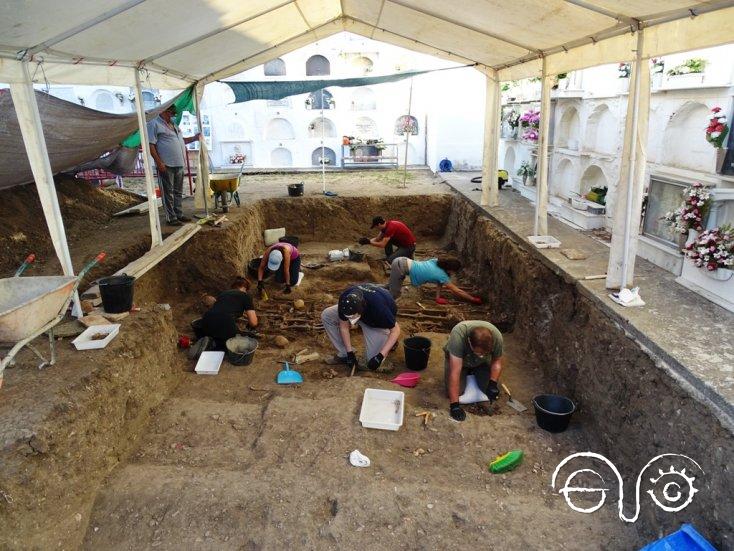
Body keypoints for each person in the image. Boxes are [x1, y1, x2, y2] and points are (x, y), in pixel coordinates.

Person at [321, 283, 400, 373]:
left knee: (371, 362)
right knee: (327, 315)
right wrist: (349, 353)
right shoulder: (345, 300)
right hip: (358, 311)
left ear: (362, 309)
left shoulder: (379, 309)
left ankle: (388, 340)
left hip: (376, 322)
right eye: (348, 317)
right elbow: (344, 327)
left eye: (352, 317)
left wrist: (380, 356)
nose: (350, 321)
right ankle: (343, 353)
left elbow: (396, 330)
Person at [147, 104, 201, 226]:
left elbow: (181, 140)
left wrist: (194, 138)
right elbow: (150, 145)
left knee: (178, 191)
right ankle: (171, 218)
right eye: (170, 113)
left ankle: (178, 214)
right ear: (164, 111)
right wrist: (159, 162)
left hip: (179, 163)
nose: (172, 116)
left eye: (173, 114)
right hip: (166, 164)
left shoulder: (174, 125)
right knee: (168, 192)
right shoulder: (154, 124)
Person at [444, 321, 504, 422]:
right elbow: (455, 372)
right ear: (469, 342)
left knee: (490, 391)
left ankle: (474, 370)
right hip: (459, 360)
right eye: (479, 352)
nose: (481, 355)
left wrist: (493, 383)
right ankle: (467, 370)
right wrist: (454, 406)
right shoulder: (458, 337)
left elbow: (497, 361)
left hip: (482, 363)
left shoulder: (497, 337)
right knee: (454, 393)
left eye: (484, 353)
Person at [189, 277, 258, 359]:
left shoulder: (223, 294)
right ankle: (215, 345)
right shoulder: (245, 296)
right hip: (225, 322)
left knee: (219, 332)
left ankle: (211, 340)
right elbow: (253, 322)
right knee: (233, 344)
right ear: (245, 288)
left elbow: (220, 310)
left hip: (206, 321)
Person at [387, 255, 482, 304]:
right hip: (400, 267)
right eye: (454, 271)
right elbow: (457, 291)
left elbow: (439, 282)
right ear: (451, 269)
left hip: (402, 261)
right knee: (394, 294)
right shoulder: (442, 276)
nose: (454, 273)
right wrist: (472, 299)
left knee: (390, 286)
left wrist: (437, 298)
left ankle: (373, 287)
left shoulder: (437, 261)